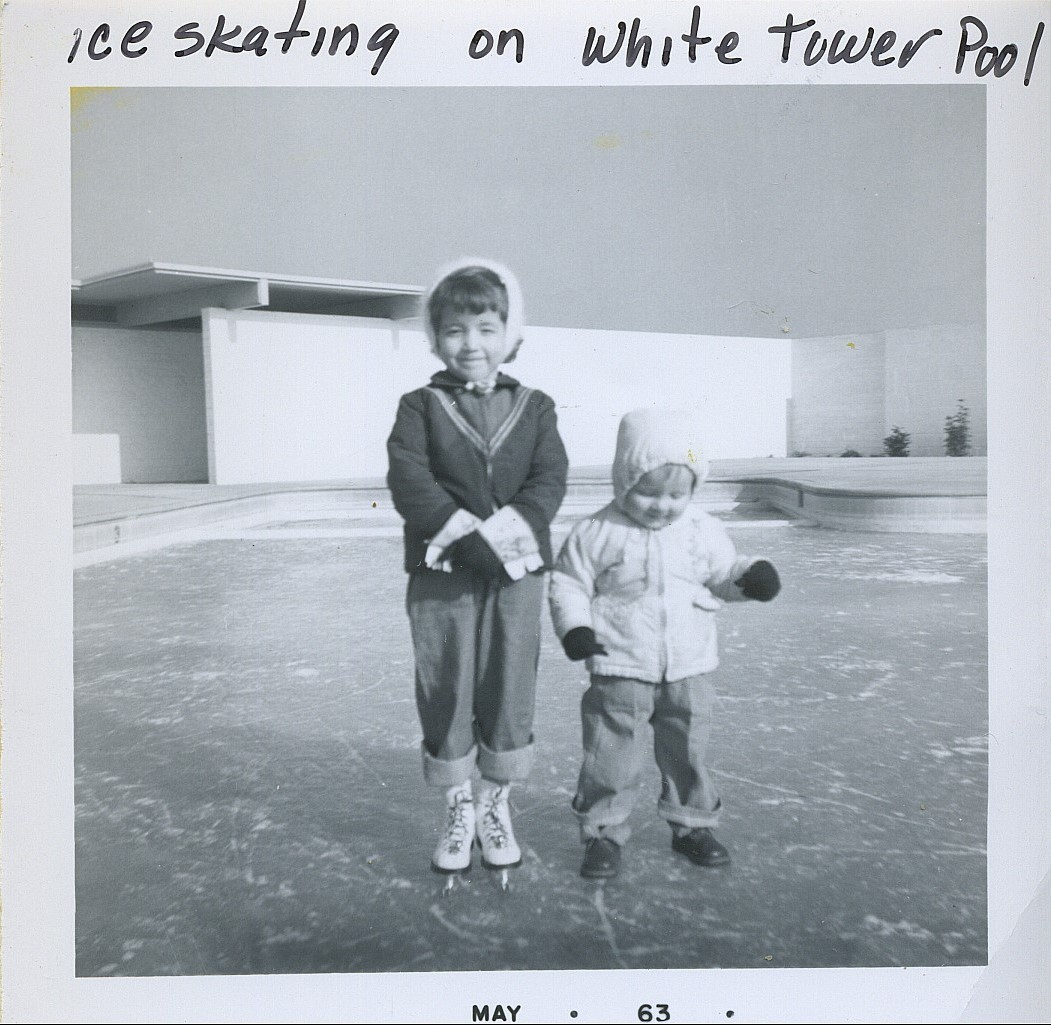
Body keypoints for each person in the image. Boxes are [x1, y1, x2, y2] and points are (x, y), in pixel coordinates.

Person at [387, 258, 569, 881]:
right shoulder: (420, 406)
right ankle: (457, 805)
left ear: (510, 335)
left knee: (508, 681)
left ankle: (496, 803)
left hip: (517, 577)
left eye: (487, 328)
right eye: (457, 330)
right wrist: (467, 539)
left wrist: (507, 539)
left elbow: (549, 480)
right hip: (443, 574)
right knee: (448, 682)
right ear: (436, 337)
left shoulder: (537, 407)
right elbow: (409, 479)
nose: (473, 343)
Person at [549, 408, 781, 879]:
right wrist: (575, 629)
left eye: (677, 494)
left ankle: (693, 826)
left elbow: (721, 575)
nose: (662, 505)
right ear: (623, 481)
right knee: (610, 756)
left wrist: (748, 578)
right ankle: (602, 834)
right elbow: (569, 584)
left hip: (689, 666)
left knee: (688, 752)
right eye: (648, 492)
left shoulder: (702, 529)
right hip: (618, 666)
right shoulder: (596, 532)